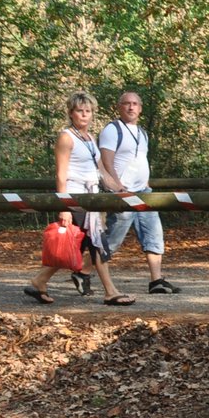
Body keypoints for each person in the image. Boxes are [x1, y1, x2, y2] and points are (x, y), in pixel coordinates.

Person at [25, 93, 134, 306]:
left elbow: (101, 170)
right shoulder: (66, 137)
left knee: (77, 245)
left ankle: (39, 280)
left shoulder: (91, 139)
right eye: (79, 110)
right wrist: (64, 206)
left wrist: (119, 189)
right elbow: (60, 174)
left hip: (91, 198)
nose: (84, 114)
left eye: (88, 111)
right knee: (96, 243)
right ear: (70, 113)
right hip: (74, 198)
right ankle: (111, 292)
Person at [98, 91, 179, 295]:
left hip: (144, 192)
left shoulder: (142, 133)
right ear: (119, 107)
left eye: (135, 104)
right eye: (126, 103)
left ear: (140, 108)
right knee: (114, 239)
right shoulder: (112, 130)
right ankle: (83, 271)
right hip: (123, 192)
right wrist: (117, 187)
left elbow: (139, 161)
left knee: (154, 234)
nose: (131, 107)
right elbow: (106, 161)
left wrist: (146, 182)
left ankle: (156, 280)